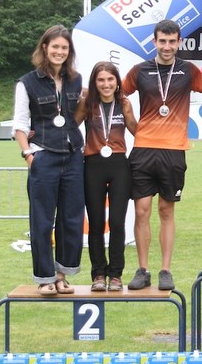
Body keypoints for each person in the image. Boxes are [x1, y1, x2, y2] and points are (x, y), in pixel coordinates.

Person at [122, 19, 202, 290]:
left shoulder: (188, 70)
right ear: (154, 42)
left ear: (179, 42)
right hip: (143, 150)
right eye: (162, 41)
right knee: (141, 210)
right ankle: (142, 270)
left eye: (172, 41)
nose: (167, 46)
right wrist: (132, 123)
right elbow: (116, 93)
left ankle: (165, 270)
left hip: (174, 151)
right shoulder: (139, 71)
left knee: (166, 210)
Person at [12, 25, 84, 296]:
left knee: (71, 219)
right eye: (55, 47)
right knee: (42, 220)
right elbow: (20, 124)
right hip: (43, 155)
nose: (59, 52)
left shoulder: (76, 80)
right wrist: (28, 154)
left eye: (64, 48)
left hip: (73, 155)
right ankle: (45, 278)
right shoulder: (27, 82)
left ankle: (62, 276)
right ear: (45, 47)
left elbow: (74, 117)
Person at [75, 61, 137, 292]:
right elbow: (71, 126)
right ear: (94, 82)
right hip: (93, 165)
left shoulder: (124, 103)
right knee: (96, 222)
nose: (106, 84)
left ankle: (116, 274)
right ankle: (98, 274)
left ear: (117, 82)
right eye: (101, 80)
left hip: (119, 164)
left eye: (110, 79)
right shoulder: (87, 104)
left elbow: (135, 129)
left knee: (118, 222)